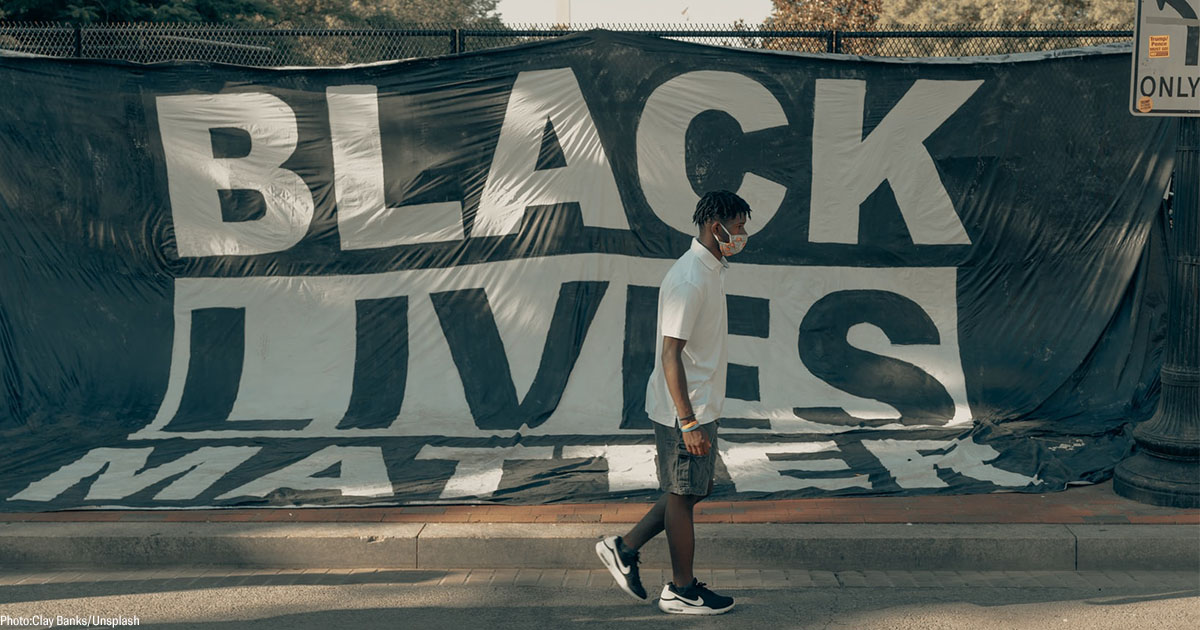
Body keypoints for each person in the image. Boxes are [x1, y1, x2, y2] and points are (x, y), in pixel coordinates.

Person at [595, 189, 749, 615]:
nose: (742, 234)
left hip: (700, 404)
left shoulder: (711, 269)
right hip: (686, 408)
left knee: (695, 488)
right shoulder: (689, 278)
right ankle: (681, 590)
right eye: (737, 227)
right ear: (714, 225)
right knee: (682, 494)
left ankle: (623, 548)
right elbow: (670, 354)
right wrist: (688, 421)